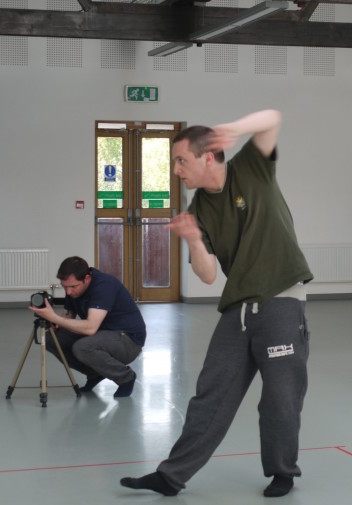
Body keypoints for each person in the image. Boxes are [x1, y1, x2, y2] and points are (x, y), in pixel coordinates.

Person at [121, 109, 313, 498]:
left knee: (279, 398)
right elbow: (208, 275)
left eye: (181, 160)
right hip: (238, 308)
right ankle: (171, 476)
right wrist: (193, 239)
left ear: (208, 156)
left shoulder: (251, 169)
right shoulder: (198, 209)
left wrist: (233, 130)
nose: (176, 169)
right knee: (210, 394)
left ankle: (282, 472)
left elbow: (273, 117)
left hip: (280, 300)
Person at [28, 256, 146, 397]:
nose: (68, 292)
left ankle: (125, 377)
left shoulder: (104, 285)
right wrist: (53, 324)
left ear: (87, 278)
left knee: (83, 347)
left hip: (128, 341)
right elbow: (67, 317)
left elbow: (90, 327)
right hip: (101, 335)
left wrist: (54, 318)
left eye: (73, 287)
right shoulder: (74, 289)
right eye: (65, 287)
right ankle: (94, 373)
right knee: (51, 339)